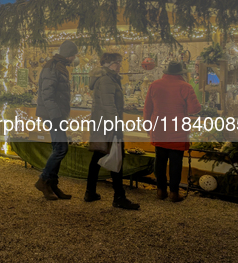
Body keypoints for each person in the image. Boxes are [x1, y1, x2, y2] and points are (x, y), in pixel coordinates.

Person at [86, 52, 140, 210]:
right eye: (118, 63)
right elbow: (109, 106)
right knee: (117, 158)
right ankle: (119, 197)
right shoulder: (107, 80)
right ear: (109, 64)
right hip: (108, 126)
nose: (119, 66)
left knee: (98, 157)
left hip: (101, 125)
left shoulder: (105, 78)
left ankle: (90, 192)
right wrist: (116, 126)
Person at [144, 61, 201, 202]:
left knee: (160, 160)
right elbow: (195, 109)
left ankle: (160, 191)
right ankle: (174, 193)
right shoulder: (185, 87)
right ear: (181, 73)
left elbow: (147, 108)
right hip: (177, 130)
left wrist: (147, 125)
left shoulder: (155, 85)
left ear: (166, 72)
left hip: (159, 128)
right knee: (176, 162)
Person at [34, 40, 78, 200]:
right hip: (53, 115)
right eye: (73, 55)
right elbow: (47, 94)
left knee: (58, 148)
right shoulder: (53, 67)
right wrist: (56, 116)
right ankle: (43, 179)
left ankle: (52, 185)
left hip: (55, 114)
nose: (74, 58)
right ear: (68, 54)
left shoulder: (58, 66)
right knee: (61, 149)